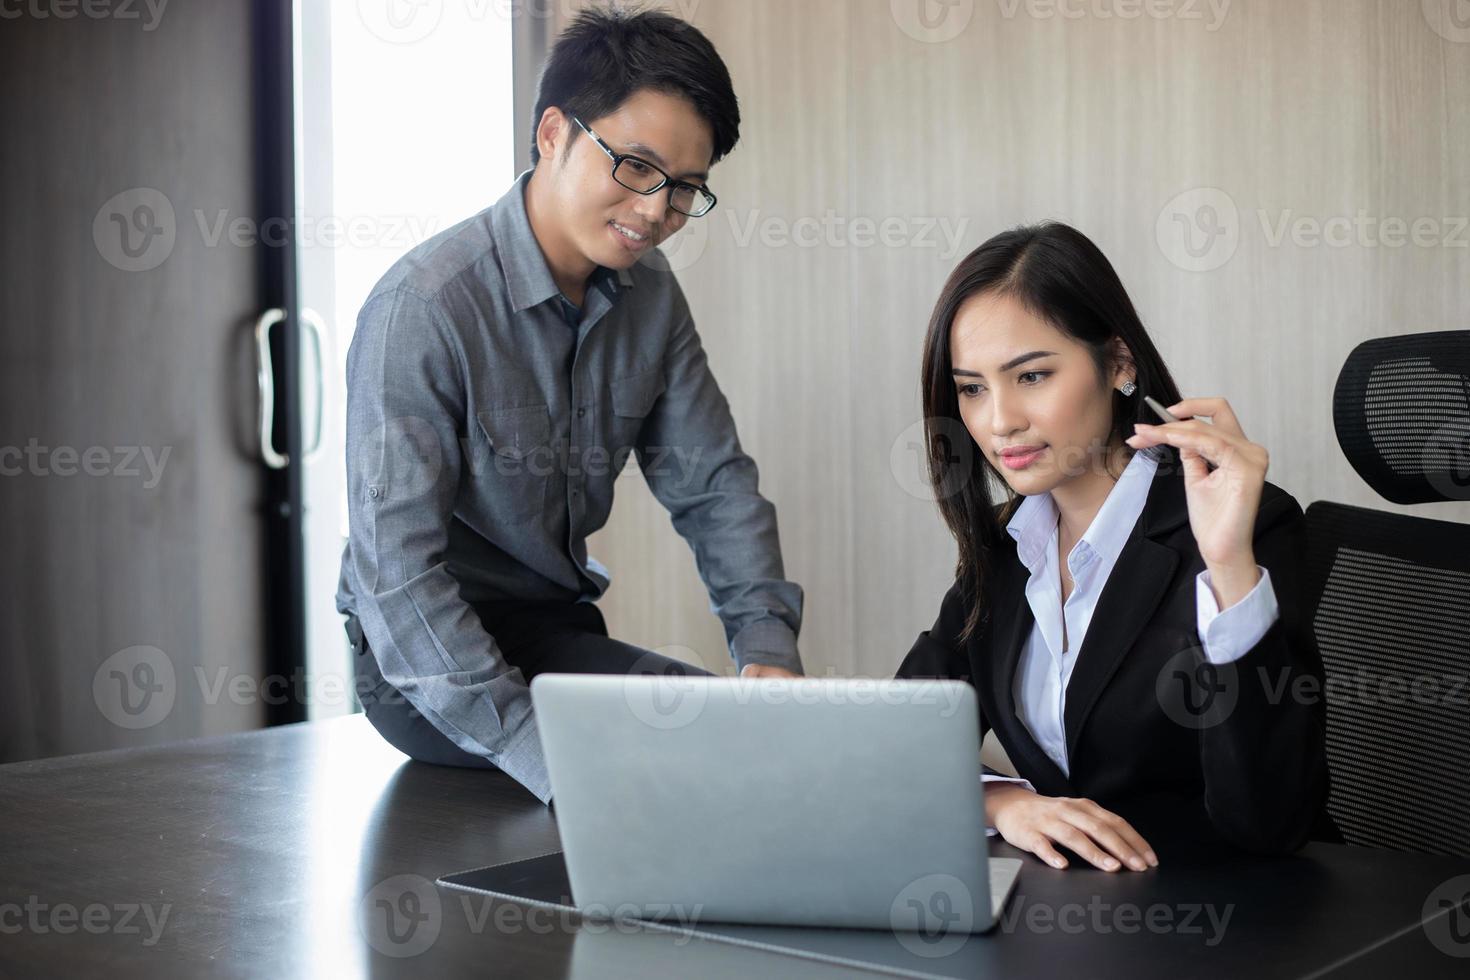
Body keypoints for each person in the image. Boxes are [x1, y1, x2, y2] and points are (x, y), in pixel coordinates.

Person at [338, 7, 804, 805]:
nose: (657, 210)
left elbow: (712, 481)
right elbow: (399, 583)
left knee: (732, 730)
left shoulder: (651, 297)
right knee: (678, 766)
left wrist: (767, 652)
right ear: (553, 132)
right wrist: (543, 752)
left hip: (552, 633)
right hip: (417, 665)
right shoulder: (423, 309)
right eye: (635, 166)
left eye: (686, 188)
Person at [898, 222, 1338, 870]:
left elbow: (1269, 823)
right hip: (1075, 922)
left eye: (1032, 376)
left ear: (1119, 363)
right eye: (972, 388)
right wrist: (1002, 803)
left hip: (1234, 920)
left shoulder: (1246, 528)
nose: (999, 421)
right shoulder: (1005, 544)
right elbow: (904, 738)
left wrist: (1227, 568)